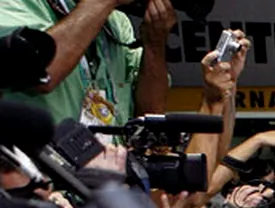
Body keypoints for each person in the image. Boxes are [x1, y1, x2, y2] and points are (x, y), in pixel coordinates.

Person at [0, 0, 176, 124]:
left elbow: (150, 116)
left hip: (108, 169)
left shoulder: (116, 23)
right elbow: (40, 74)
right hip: (40, 171)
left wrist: (154, 45)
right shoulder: (12, 5)